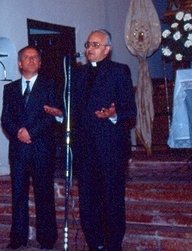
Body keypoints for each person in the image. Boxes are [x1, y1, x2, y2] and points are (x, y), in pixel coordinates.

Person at [71, 29, 137, 251]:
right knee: (88, 200)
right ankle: (94, 243)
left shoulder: (119, 71)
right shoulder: (77, 74)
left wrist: (113, 115)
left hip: (111, 147)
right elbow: (75, 112)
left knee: (112, 198)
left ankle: (113, 244)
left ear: (107, 49)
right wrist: (62, 115)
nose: (89, 49)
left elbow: (130, 110)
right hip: (85, 149)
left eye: (96, 45)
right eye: (88, 44)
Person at [1, 46, 60, 250]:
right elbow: (5, 117)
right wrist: (19, 132)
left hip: (41, 148)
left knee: (44, 195)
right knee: (18, 195)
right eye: (27, 57)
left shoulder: (49, 85)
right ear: (19, 63)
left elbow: (52, 115)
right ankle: (17, 239)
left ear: (40, 62)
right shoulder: (10, 89)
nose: (32, 60)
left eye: (35, 57)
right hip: (18, 150)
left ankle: (47, 239)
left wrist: (31, 133)